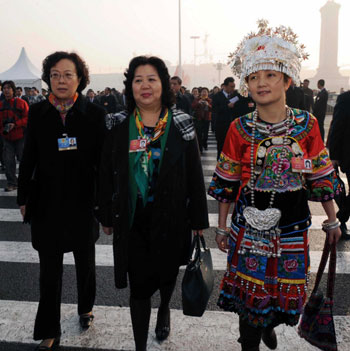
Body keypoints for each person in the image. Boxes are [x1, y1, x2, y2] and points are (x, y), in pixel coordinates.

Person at [208, 20, 341, 351]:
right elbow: (227, 179)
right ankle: (250, 339)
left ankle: (268, 324)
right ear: (246, 85)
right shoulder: (239, 128)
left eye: (269, 75)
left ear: (286, 79)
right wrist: (222, 227)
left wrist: (333, 217)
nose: (261, 83)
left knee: (285, 297)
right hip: (248, 224)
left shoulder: (306, 124)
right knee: (248, 295)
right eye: (253, 77)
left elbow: (320, 173)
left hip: (293, 224)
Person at [98, 55, 209, 351]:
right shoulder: (118, 126)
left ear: (163, 84)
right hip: (133, 220)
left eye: (151, 79)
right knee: (138, 287)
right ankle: (139, 345)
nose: (145, 86)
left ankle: (164, 308)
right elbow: (106, 174)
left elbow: (195, 177)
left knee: (167, 274)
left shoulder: (181, 125)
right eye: (138, 80)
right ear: (130, 87)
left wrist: (199, 221)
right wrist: (106, 215)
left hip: (172, 219)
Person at [17, 51, 106, 351]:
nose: (61, 80)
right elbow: (28, 156)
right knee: (49, 272)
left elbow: (103, 164)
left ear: (80, 78)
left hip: (83, 203)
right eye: (55, 74)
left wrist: (104, 204)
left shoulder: (94, 115)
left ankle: (86, 307)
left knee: (86, 263)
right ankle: (48, 329)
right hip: (47, 204)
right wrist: (23, 196)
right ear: (48, 79)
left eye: (68, 74)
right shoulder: (39, 113)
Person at [329, 90, 350, 240]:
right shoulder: (345, 98)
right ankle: (341, 218)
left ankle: (342, 215)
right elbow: (336, 127)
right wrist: (334, 156)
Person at [0, 80, 29, 191]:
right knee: (8, 161)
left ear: (13, 90)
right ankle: (12, 183)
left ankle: (26, 181)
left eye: (8, 88)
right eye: (4, 88)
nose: (6, 90)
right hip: (6, 137)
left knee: (24, 160)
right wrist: (3, 130)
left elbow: (28, 118)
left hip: (20, 136)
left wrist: (16, 124)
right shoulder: (1, 105)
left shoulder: (21, 103)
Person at [192, 87, 212, 152]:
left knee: (205, 134)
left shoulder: (209, 100)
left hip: (207, 119)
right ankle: (200, 148)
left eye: (205, 92)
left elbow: (213, 109)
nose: (204, 93)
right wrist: (198, 103)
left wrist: (208, 105)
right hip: (199, 119)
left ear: (208, 93)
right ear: (201, 93)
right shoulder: (197, 99)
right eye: (203, 91)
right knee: (199, 134)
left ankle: (205, 144)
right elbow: (192, 106)